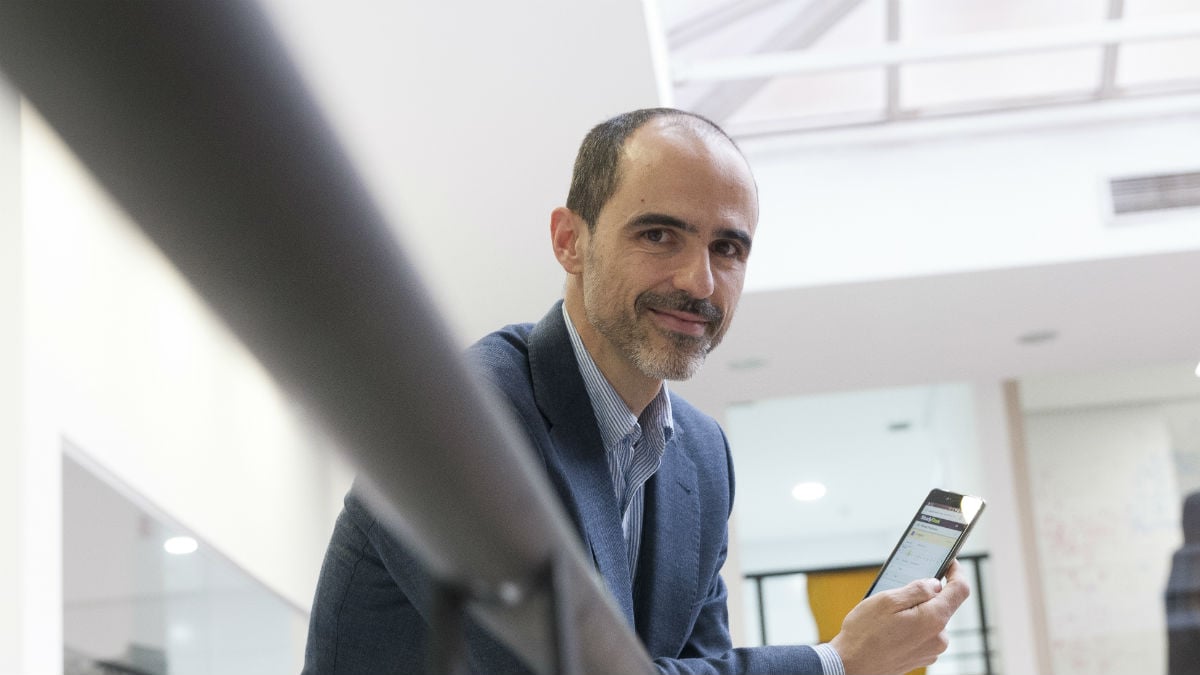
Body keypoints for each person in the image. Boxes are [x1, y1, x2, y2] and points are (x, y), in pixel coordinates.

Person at [302, 107, 970, 675]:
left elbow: (699, 659)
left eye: (728, 248)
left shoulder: (703, 455)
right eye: (659, 234)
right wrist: (836, 660)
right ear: (570, 240)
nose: (699, 281)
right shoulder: (462, 416)